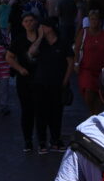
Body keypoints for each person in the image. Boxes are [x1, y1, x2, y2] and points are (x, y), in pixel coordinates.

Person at [24, 12, 72, 154]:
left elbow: (69, 62)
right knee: (41, 114)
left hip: (57, 83)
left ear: (49, 28)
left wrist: (65, 80)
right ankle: (42, 141)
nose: (40, 28)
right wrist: (39, 38)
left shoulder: (62, 42)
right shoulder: (41, 43)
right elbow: (30, 53)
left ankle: (56, 140)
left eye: (42, 27)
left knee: (56, 113)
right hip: (40, 83)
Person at [77, 8, 104, 114]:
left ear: (100, 21)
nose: (94, 22)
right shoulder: (83, 33)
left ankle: (95, 115)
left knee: (100, 96)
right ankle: (93, 113)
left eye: (96, 19)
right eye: (91, 19)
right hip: (87, 69)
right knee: (88, 92)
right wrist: (76, 63)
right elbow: (77, 48)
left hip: (102, 69)